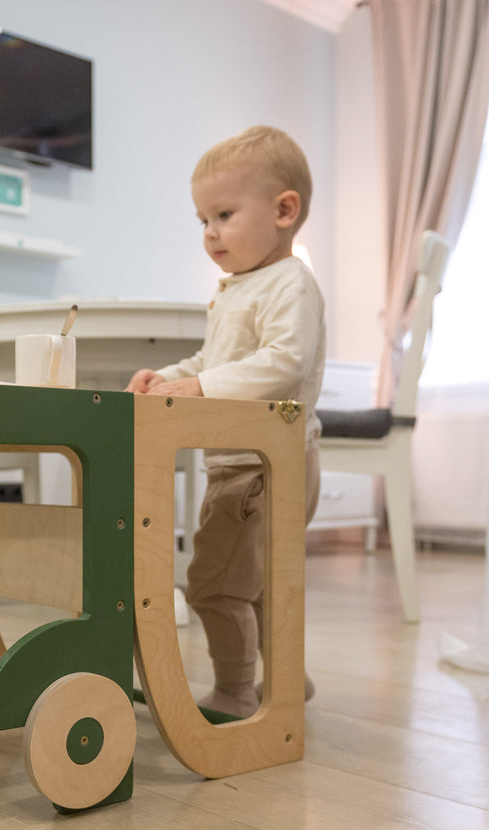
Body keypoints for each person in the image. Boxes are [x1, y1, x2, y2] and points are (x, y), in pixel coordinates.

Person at [126, 125, 325, 719]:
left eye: (224, 214)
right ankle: (289, 677)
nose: (210, 233)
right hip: (246, 463)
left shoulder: (290, 284)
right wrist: (170, 377)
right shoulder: (238, 286)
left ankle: (236, 693)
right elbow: (216, 361)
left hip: (261, 466)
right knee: (260, 583)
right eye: (202, 220)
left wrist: (202, 387)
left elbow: (284, 361)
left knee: (214, 584)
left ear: (284, 210)